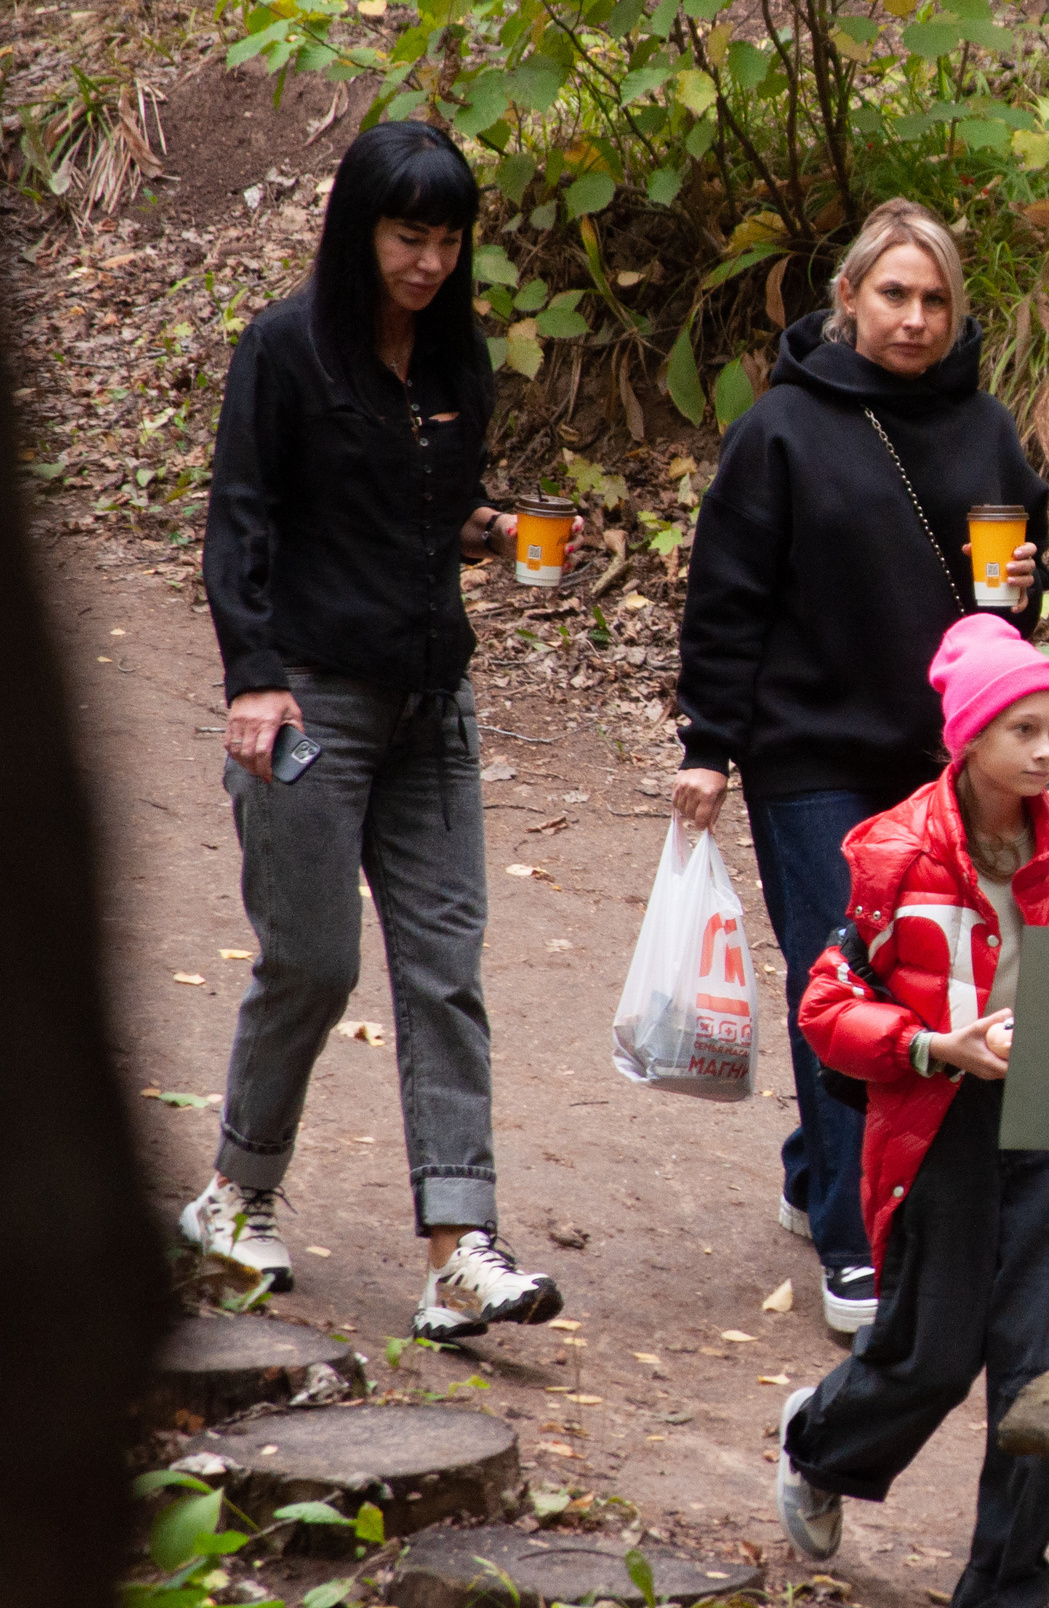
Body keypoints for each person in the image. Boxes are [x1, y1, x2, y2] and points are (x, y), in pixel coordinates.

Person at [183, 121, 566, 1342]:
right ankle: (236, 1191)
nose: (429, 262)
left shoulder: (458, 367)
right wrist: (252, 677)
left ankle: (461, 1245)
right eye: (409, 235)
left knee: (445, 967)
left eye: (449, 240)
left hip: (428, 704)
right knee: (314, 961)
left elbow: (414, 515)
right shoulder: (285, 351)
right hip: (307, 698)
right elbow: (242, 523)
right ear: (360, 229)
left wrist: (484, 533)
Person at [673, 198, 1049, 1336]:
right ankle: (858, 1241)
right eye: (894, 293)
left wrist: (1024, 588)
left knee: (925, 980)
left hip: (937, 752)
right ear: (846, 299)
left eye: (935, 298)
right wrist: (707, 742)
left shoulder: (985, 425)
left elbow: (1014, 601)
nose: (915, 317)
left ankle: (815, 1171)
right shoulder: (782, 427)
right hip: (807, 752)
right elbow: (725, 592)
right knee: (847, 975)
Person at [775, 615, 1049, 1608]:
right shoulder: (895, 852)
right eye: (1023, 728)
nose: (1047, 750)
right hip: (944, 1122)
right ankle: (819, 1442)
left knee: (1042, 1364)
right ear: (968, 736)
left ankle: (1004, 1582)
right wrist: (935, 1044)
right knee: (931, 1351)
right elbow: (827, 1006)